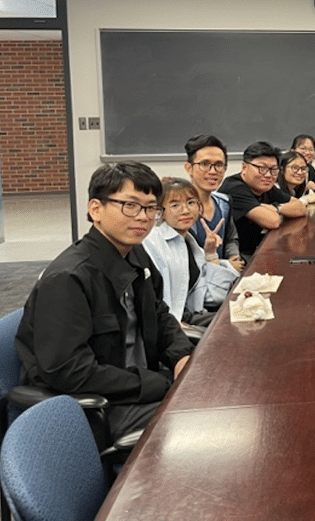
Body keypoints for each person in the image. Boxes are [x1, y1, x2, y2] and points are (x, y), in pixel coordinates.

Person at [15, 162, 194, 441]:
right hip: (98, 408)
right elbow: (68, 371)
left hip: (137, 388)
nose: (143, 217)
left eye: (150, 208)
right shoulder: (68, 279)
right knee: (200, 419)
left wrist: (181, 355)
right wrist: (159, 383)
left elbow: (159, 315)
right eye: (130, 206)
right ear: (95, 209)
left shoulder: (134, 255)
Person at [143, 177, 239, 329]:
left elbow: (211, 296)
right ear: (160, 212)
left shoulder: (188, 241)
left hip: (191, 314)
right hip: (173, 322)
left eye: (191, 202)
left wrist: (211, 254)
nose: (186, 210)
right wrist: (173, 325)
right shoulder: (153, 242)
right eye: (175, 205)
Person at [218, 141, 306, 259]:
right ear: (244, 167)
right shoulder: (234, 188)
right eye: (261, 168)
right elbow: (272, 221)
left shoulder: (265, 186)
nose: (268, 175)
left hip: (258, 248)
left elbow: (300, 207)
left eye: (273, 169)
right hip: (237, 257)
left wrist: (276, 208)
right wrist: (276, 213)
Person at [184, 134, 245, 273]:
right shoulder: (180, 210)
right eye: (205, 164)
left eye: (219, 165)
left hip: (223, 280)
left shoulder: (224, 203)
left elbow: (231, 239)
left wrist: (234, 258)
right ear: (189, 168)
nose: (213, 171)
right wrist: (226, 266)